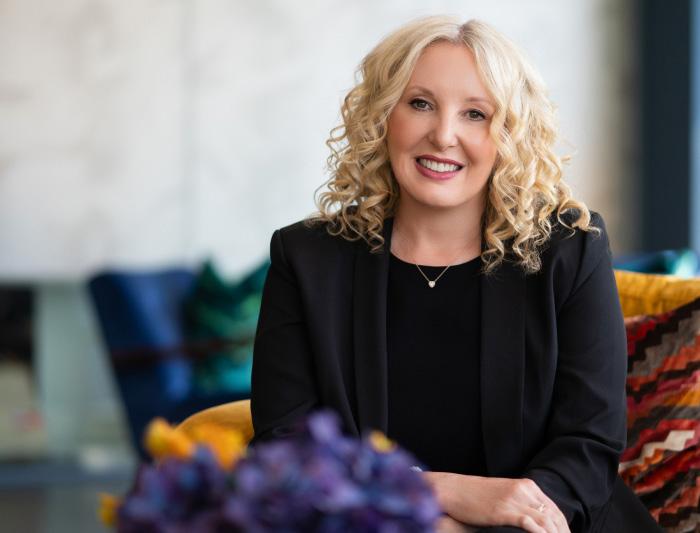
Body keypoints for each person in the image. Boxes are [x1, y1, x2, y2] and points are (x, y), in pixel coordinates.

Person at [250, 15, 661, 533]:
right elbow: (284, 452)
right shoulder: (306, 258)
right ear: (383, 115)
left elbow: (588, 444)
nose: (444, 135)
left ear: (509, 133)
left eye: (475, 113)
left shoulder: (571, 248)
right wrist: (439, 497)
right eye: (420, 103)